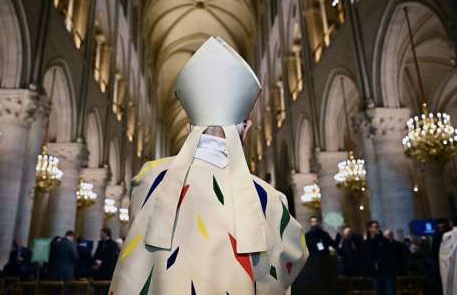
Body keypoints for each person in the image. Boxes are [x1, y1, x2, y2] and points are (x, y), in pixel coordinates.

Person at [110, 36, 308, 294]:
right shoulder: (267, 199)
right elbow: (291, 261)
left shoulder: (151, 179)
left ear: (190, 128)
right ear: (246, 131)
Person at [365, 221, 395, 295]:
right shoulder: (367, 242)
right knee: (378, 291)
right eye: (375, 227)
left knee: (389, 291)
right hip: (375, 273)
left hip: (386, 270)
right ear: (370, 229)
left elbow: (390, 255)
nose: (378, 228)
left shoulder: (384, 240)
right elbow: (368, 257)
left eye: (378, 227)